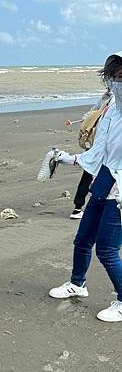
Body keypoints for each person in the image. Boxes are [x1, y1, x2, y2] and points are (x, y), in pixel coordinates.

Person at [49, 51, 122, 323]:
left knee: (107, 249)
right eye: (113, 77)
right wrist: (70, 159)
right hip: (104, 180)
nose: (117, 83)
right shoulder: (112, 109)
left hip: (121, 190)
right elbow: (100, 151)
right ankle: (77, 283)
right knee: (83, 240)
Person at [68, 87, 113, 220]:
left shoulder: (107, 97)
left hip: (95, 142)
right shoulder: (111, 99)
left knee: (88, 173)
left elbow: (89, 116)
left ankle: (78, 207)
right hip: (106, 145)